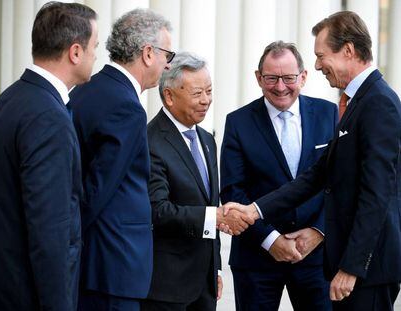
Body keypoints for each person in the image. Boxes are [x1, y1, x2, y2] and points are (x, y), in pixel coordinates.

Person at [226, 11, 401, 311]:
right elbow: (319, 174)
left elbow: (377, 195)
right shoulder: (357, 102)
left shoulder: (378, 103)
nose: (318, 64)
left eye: (321, 55)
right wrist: (254, 211)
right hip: (330, 266)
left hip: (365, 271)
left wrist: (351, 267)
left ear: (348, 50)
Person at [0, 2, 98, 310]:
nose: (95, 56)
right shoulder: (47, 115)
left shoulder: (11, 98)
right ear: (75, 52)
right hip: (27, 294)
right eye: (94, 47)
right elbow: (50, 229)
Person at [220, 40, 337, 311]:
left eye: (288, 78)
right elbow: (233, 191)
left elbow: (339, 182)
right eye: (271, 78)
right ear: (259, 78)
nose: (280, 86)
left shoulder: (328, 114)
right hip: (256, 257)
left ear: (303, 77)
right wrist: (271, 240)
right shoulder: (238, 122)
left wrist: (319, 231)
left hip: (317, 257)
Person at [69, 9, 173, 311]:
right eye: (168, 53)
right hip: (112, 266)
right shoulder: (126, 106)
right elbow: (98, 189)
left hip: (94, 264)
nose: (169, 63)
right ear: (148, 53)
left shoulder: (87, 89)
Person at [140, 52, 252, 311]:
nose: (206, 101)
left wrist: (217, 268)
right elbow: (157, 210)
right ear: (169, 96)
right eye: (197, 93)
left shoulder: (206, 139)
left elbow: (209, 200)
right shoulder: (150, 141)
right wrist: (216, 217)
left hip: (205, 285)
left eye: (209, 91)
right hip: (167, 287)